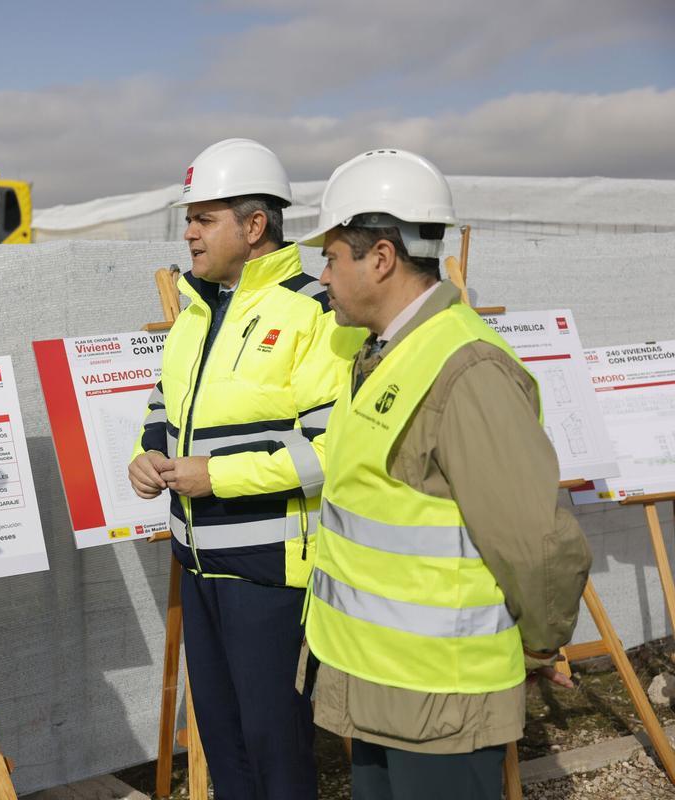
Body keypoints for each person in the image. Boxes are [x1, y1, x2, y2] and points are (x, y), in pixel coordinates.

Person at [299, 148, 592, 799]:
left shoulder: (467, 370)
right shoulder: (382, 352)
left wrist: (540, 647)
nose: (322, 276)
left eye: (331, 257)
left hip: (442, 702)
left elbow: (536, 542)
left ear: (380, 258)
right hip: (380, 686)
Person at [128, 138, 359, 798]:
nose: (189, 232)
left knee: (274, 749)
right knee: (224, 746)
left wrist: (216, 478)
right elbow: (162, 405)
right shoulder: (196, 309)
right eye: (189, 218)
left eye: (204, 218)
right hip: (198, 566)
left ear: (254, 225)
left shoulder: (316, 310)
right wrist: (144, 456)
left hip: (270, 573)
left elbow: (330, 452)